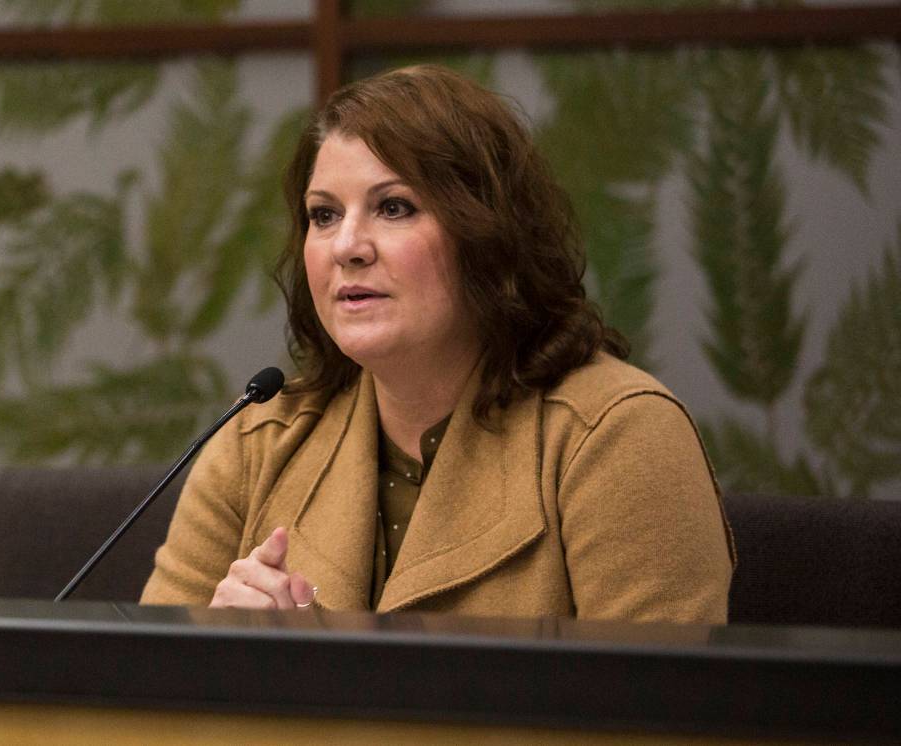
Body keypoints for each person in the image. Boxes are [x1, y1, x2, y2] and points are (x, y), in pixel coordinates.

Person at [141, 65, 734, 622]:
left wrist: (315, 681)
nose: (348, 245)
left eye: (393, 208)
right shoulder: (258, 443)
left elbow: (651, 723)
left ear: (488, 234)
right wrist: (215, 658)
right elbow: (142, 708)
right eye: (323, 215)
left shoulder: (612, 436)